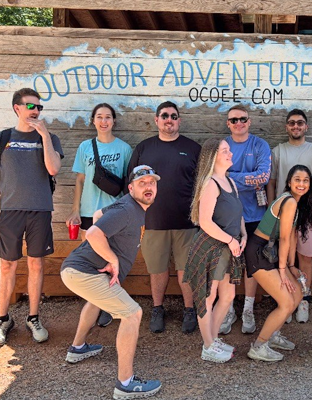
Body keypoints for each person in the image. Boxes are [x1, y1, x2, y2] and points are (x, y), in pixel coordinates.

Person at [61, 165, 162, 399]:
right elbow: (94, 232)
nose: (148, 187)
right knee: (132, 314)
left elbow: (98, 215)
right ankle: (125, 384)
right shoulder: (128, 209)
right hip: (83, 271)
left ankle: (77, 348)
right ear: (131, 187)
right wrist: (112, 258)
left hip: (81, 270)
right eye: (142, 183)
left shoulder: (128, 207)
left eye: (151, 183)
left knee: (97, 301)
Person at [0, 87, 63, 348]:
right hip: (10, 211)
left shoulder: (49, 138)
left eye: (39, 107)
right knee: (7, 265)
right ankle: (2, 319)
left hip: (40, 210)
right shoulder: (0, 138)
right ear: (17, 108)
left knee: (36, 264)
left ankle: (33, 317)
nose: (36, 111)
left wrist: (44, 136)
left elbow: (53, 168)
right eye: (31, 106)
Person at [127, 101, 201, 334]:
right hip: (153, 222)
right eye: (164, 115)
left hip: (187, 222)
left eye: (174, 116)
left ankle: (189, 310)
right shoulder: (144, 148)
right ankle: (157, 309)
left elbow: (203, 184)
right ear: (157, 120)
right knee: (157, 270)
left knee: (186, 271)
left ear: (179, 121)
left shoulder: (192, 148)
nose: (169, 119)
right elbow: (131, 185)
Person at [66, 103, 132, 328]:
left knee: (112, 258)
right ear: (93, 121)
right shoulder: (85, 147)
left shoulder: (124, 148)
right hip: (87, 211)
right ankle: (95, 304)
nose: (104, 121)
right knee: (92, 259)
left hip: (113, 213)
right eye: (99, 117)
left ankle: (109, 305)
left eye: (108, 117)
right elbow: (80, 180)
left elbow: (128, 184)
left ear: (114, 121)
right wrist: (75, 209)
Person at [245, 165, 312, 362]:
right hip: (259, 252)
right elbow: (284, 239)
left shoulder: (295, 202)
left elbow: (292, 237)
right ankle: (258, 346)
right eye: (297, 180)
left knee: (297, 293)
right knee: (286, 303)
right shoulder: (289, 202)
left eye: (305, 180)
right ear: (289, 182)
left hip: (270, 253)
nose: (301, 184)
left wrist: (292, 266)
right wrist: (283, 270)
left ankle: (273, 335)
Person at [184, 138, 246, 363]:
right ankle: (208, 346)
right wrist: (231, 240)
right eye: (224, 151)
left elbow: (237, 214)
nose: (230, 153)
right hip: (212, 248)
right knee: (208, 297)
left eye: (229, 150)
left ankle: (213, 338)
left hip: (230, 248)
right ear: (213, 157)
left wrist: (244, 234)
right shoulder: (211, 184)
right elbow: (205, 222)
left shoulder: (230, 181)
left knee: (227, 296)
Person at [267, 109, 312, 323]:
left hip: (309, 212)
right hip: (283, 212)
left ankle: (303, 299)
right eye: (292, 123)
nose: (296, 126)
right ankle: (286, 300)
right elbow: (272, 182)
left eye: (300, 123)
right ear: (286, 127)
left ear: (306, 126)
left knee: (305, 257)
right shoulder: (278, 152)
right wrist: (270, 208)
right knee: (283, 257)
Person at [220, 105, 271, 335]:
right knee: (229, 262)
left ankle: (248, 309)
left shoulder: (260, 145)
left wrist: (230, 177)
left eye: (242, 119)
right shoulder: (221, 146)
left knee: (252, 263)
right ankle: (228, 309)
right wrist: (247, 180)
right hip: (227, 214)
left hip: (255, 215)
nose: (238, 123)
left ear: (249, 122)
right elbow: (215, 176)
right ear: (228, 124)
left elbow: (263, 176)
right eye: (233, 120)